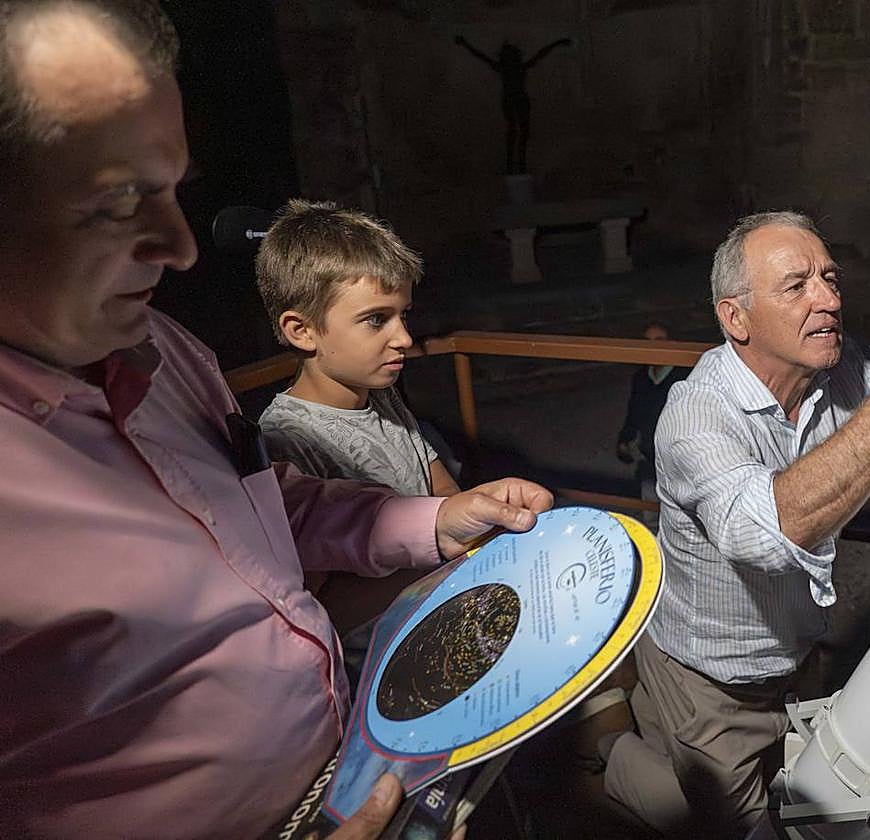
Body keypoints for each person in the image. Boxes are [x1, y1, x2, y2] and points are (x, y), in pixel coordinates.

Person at [0, 3, 551, 838]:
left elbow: (257, 510)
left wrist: (438, 518)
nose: (182, 246)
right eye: (119, 201)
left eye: (174, 189)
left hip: (352, 766)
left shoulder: (166, 351)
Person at [601, 211, 870, 837]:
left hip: (796, 661)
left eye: (830, 278)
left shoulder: (848, 368)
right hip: (707, 680)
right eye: (796, 285)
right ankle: (613, 748)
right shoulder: (695, 413)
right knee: (728, 827)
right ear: (736, 317)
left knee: (796, 796)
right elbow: (767, 533)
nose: (829, 299)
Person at [255, 198, 459, 498]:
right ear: (302, 331)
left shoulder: (379, 391)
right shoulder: (285, 440)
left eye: (403, 314)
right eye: (376, 319)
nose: (404, 339)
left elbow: (439, 486)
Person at [453, 34, 571, 174]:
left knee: (517, 130)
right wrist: (557, 42)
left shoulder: (510, 68)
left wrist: (557, 42)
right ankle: (516, 163)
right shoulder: (518, 68)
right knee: (517, 131)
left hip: (514, 99)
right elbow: (541, 54)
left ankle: (516, 163)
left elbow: (481, 56)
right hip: (516, 99)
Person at [616, 322, 687, 527]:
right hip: (649, 458)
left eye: (659, 341)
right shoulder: (642, 377)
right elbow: (634, 410)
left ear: (672, 343)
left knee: (681, 519)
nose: (652, 347)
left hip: (680, 460)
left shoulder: (686, 377)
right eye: (647, 342)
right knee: (651, 517)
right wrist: (625, 437)